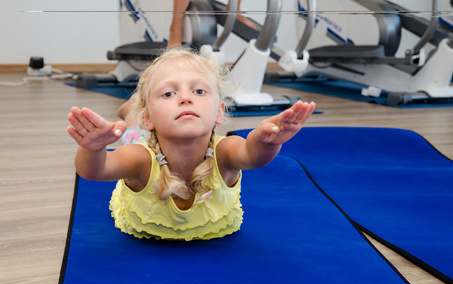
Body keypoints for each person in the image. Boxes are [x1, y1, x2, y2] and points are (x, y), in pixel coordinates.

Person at [67, 48, 316, 241]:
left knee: (136, 131)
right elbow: (95, 170)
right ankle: (132, 110)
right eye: (168, 94)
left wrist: (266, 141)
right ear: (150, 117)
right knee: (133, 133)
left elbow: (253, 155)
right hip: (147, 142)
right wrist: (93, 148)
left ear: (220, 112)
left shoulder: (225, 151)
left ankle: (135, 107)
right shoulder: (138, 159)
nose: (185, 98)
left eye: (198, 91)